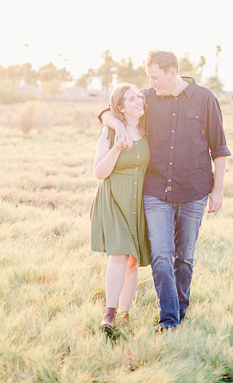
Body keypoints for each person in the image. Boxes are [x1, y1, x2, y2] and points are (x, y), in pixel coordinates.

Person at [100, 50, 230, 331]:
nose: (151, 83)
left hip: (194, 191)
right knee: (160, 254)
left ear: (172, 73)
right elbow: (110, 108)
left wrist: (217, 191)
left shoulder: (205, 98)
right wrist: (114, 123)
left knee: (184, 257)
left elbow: (219, 149)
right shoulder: (148, 97)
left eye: (155, 77)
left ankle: (180, 311)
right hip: (156, 190)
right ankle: (168, 319)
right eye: (150, 78)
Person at [90, 83, 151, 330]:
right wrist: (117, 146)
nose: (139, 101)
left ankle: (125, 312)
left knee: (133, 260)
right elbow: (100, 172)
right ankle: (110, 312)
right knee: (119, 254)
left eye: (139, 97)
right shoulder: (109, 132)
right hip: (114, 197)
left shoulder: (148, 133)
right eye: (131, 99)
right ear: (120, 108)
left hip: (139, 200)